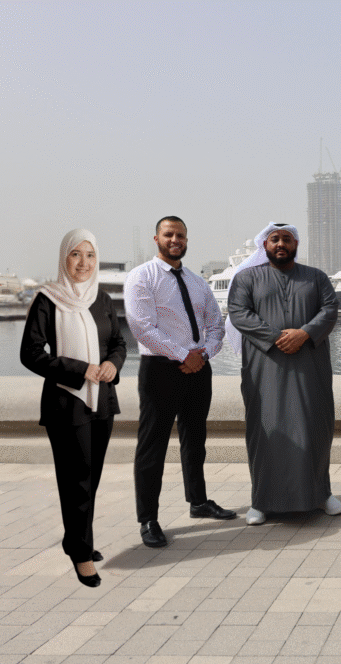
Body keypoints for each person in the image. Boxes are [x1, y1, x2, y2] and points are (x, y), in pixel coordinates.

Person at [20, 229, 126, 587]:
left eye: (90, 255)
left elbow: (118, 342)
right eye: (76, 254)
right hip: (67, 403)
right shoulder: (48, 299)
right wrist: (81, 370)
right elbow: (31, 353)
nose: (83, 263)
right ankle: (81, 554)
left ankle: (76, 539)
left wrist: (112, 364)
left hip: (102, 401)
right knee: (76, 481)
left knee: (90, 479)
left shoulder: (102, 298)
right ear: (64, 257)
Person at [125, 216, 233, 549]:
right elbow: (142, 327)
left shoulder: (198, 282)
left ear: (187, 240)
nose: (175, 240)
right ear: (156, 238)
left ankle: (198, 502)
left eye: (181, 235)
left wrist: (204, 354)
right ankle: (148, 519)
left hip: (199, 368)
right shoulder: (142, 276)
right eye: (169, 234)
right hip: (160, 369)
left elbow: (216, 325)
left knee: (195, 439)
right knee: (152, 445)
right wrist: (184, 355)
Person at [227, 223, 341, 525]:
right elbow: (239, 313)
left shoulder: (316, 277)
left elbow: (330, 309)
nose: (281, 244)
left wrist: (304, 333)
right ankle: (261, 501)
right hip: (265, 369)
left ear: (296, 244)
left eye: (287, 239)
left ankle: (322, 494)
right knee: (265, 431)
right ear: (264, 245)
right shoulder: (246, 278)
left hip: (310, 368)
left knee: (315, 428)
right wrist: (276, 337)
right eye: (275, 239)